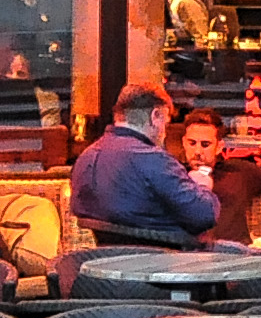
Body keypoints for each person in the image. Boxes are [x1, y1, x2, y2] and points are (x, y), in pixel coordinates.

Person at [71, 81, 218, 242]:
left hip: (107, 255)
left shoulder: (86, 157)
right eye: (166, 123)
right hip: (168, 254)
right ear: (155, 116)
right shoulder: (154, 160)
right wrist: (202, 186)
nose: (164, 133)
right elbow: (204, 215)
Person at [178, 106, 261, 245]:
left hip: (235, 252)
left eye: (205, 145)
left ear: (219, 147)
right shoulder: (174, 175)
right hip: (188, 252)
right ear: (184, 143)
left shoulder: (239, 172)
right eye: (192, 143)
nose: (197, 151)